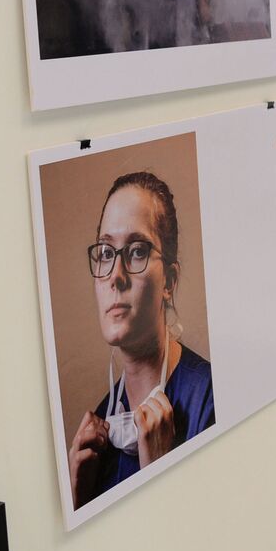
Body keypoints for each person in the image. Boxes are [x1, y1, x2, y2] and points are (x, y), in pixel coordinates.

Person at [68, 171, 215, 510]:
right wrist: (78, 498)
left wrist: (161, 472)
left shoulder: (209, 401)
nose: (115, 277)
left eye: (136, 251)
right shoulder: (100, 428)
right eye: (106, 253)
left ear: (169, 280)